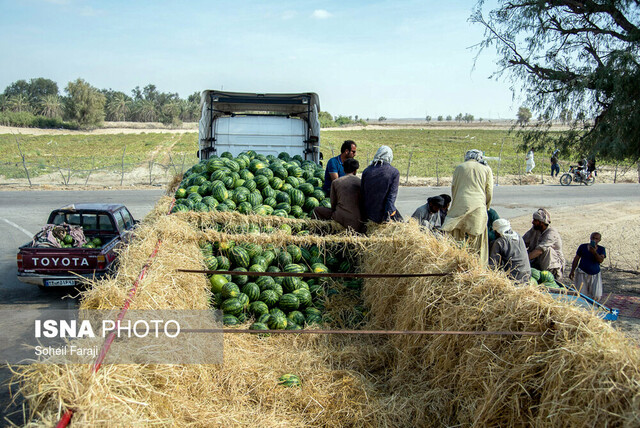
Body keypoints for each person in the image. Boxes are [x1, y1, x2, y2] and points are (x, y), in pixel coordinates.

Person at [441, 149, 494, 266]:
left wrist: (456, 203)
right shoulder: (486, 169)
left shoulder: (459, 167)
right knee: (477, 240)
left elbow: (454, 187)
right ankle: (477, 267)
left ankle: (453, 265)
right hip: (478, 207)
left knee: (455, 237)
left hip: (459, 205)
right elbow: (489, 191)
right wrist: (487, 206)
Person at [312, 158, 364, 232]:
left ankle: (317, 234)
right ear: (355, 170)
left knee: (316, 210)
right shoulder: (361, 182)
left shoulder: (336, 182)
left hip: (341, 219)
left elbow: (333, 204)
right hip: (359, 220)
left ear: (343, 169)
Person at [361, 145, 401, 223]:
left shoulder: (367, 171)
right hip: (382, 215)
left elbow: (363, 194)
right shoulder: (394, 172)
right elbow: (391, 197)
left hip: (367, 213)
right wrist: (387, 216)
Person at [522, 208, 566, 280]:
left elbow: (539, 251)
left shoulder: (551, 233)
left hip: (552, 265)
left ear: (541, 222)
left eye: (535, 220)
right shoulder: (534, 230)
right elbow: (523, 242)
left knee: (547, 250)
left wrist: (524, 260)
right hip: (537, 262)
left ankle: (549, 275)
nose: (533, 222)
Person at [489, 218, 531, 284]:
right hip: (527, 275)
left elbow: (493, 265)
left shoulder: (500, 242)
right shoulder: (518, 236)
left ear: (498, 232)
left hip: (513, 277)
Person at [569, 232, 606, 300]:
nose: (594, 240)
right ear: (590, 238)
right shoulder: (583, 247)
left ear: (599, 240)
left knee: (596, 296)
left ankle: (592, 308)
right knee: (581, 294)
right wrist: (572, 271)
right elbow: (576, 259)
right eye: (593, 238)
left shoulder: (601, 249)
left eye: (596, 239)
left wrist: (594, 252)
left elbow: (600, 260)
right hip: (582, 272)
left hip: (595, 274)